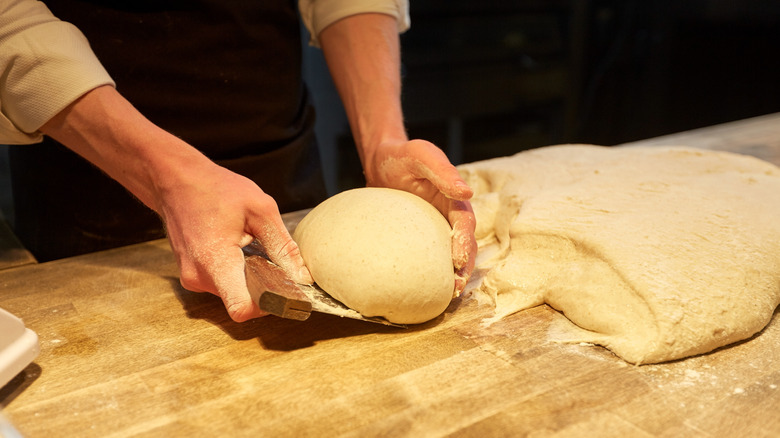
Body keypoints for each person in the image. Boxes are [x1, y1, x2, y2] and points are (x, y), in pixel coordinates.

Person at [0, 0, 477, 322]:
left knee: (297, 263)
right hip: (95, 164)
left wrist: (381, 142)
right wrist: (164, 176)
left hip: (278, 142)